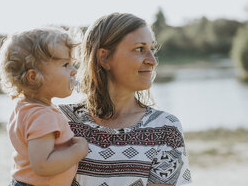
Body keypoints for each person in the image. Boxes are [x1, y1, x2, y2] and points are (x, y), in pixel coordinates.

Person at [59, 13, 192, 185]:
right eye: (139, 49)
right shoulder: (61, 121)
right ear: (104, 57)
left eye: (152, 49)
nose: (152, 61)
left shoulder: (165, 129)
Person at [0, 27, 89, 186]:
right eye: (66, 65)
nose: (74, 71)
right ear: (34, 77)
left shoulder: (25, 108)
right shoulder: (42, 115)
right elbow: (43, 165)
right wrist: (78, 151)